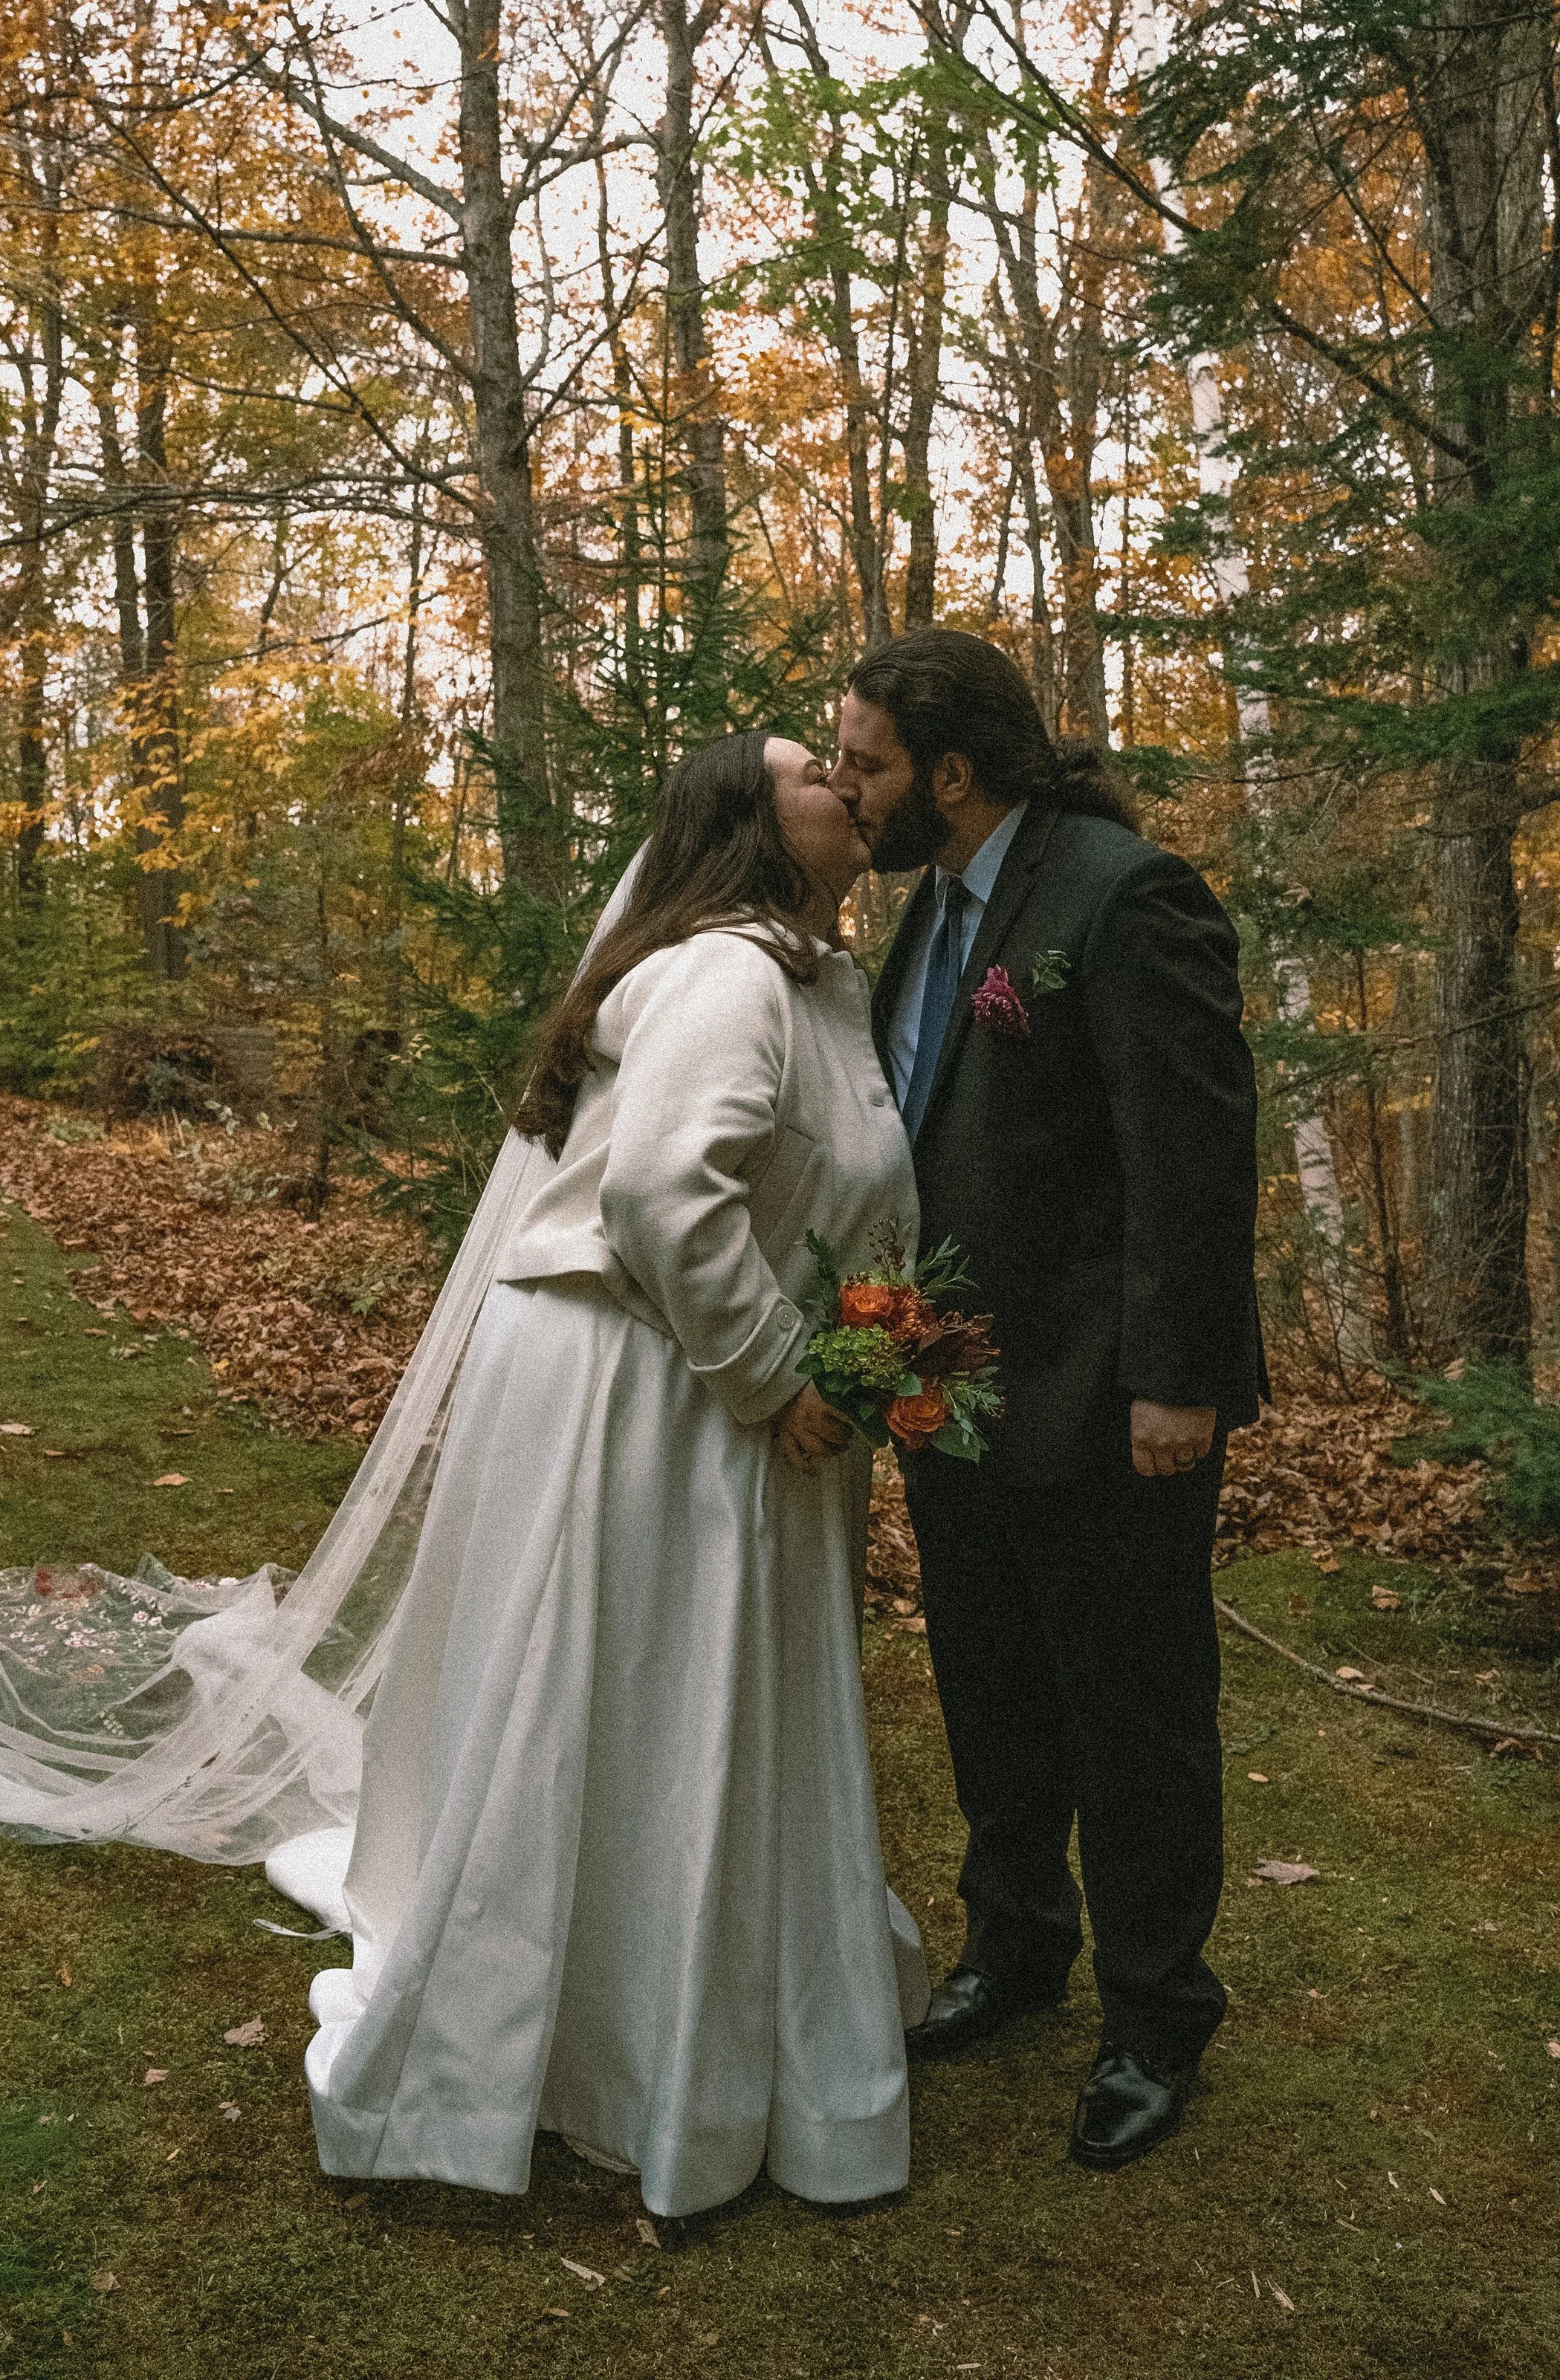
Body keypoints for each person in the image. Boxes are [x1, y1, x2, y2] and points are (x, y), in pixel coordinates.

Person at [292, 730, 930, 2214]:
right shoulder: (727, 972)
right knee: (630, 1684)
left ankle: (660, 1994)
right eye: (813, 773)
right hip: (635, 1376)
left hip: (661, 1361)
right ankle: (591, 2039)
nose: (846, 785)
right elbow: (656, 1191)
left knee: (660, 1693)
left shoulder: (808, 978)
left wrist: (869, 1342)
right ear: (752, 827)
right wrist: (776, 1370)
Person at [830, 630, 1263, 2173]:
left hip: (1106, 1400)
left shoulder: (1120, 893)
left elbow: (1191, 1160)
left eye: (867, 762)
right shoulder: (934, 902)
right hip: (954, 1392)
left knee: (1133, 1710)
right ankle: (1014, 1943)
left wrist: (1176, 1381)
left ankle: (1155, 2016)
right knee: (992, 1686)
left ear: (950, 772)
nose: (846, 786)